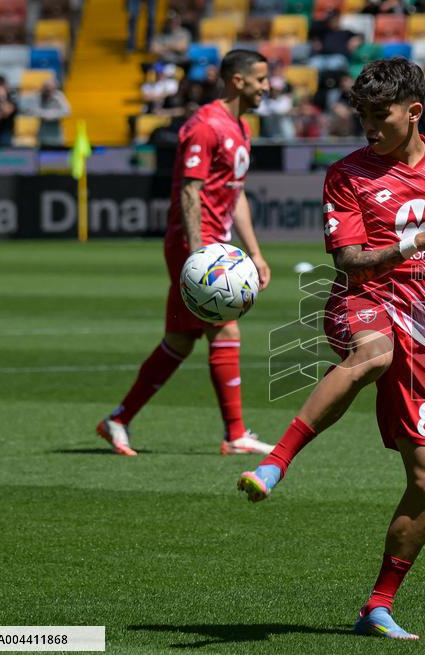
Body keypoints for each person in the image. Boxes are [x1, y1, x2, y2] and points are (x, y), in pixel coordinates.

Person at [236, 57, 425, 640]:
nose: (367, 124)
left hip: (423, 329)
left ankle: (377, 606)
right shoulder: (347, 174)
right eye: (361, 113)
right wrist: (413, 242)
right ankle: (275, 461)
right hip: (358, 303)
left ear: (413, 113)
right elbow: (350, 261)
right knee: (374, 351)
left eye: (378, 115)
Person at [96, 50, 273, 456]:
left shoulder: (239, 127)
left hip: (215, 244)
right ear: (238, 80)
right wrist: (199, 255)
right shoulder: (206, 125)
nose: (268, 86)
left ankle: (118, 419)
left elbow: (235, 194)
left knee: (179, 339)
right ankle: (235, 433)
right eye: (261, 79)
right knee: (225, 327)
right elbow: (190, 190)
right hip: (193, 243)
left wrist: (256, 253)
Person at [19, 78, 71, 146]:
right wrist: (43, 114)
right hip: (43, 133)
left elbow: (67, 111)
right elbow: (30, 110)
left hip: (56, 133)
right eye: (46, 87)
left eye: (50, 87)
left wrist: (51, 114)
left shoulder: (59, 96)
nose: (48, 90)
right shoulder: (38, 97)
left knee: (57, 154)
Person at [0, 76, 18, 147]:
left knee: (6, 153)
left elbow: (8, 111)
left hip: (7, 130)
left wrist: (2, 98)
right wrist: (1, 114)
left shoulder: (12, 95)